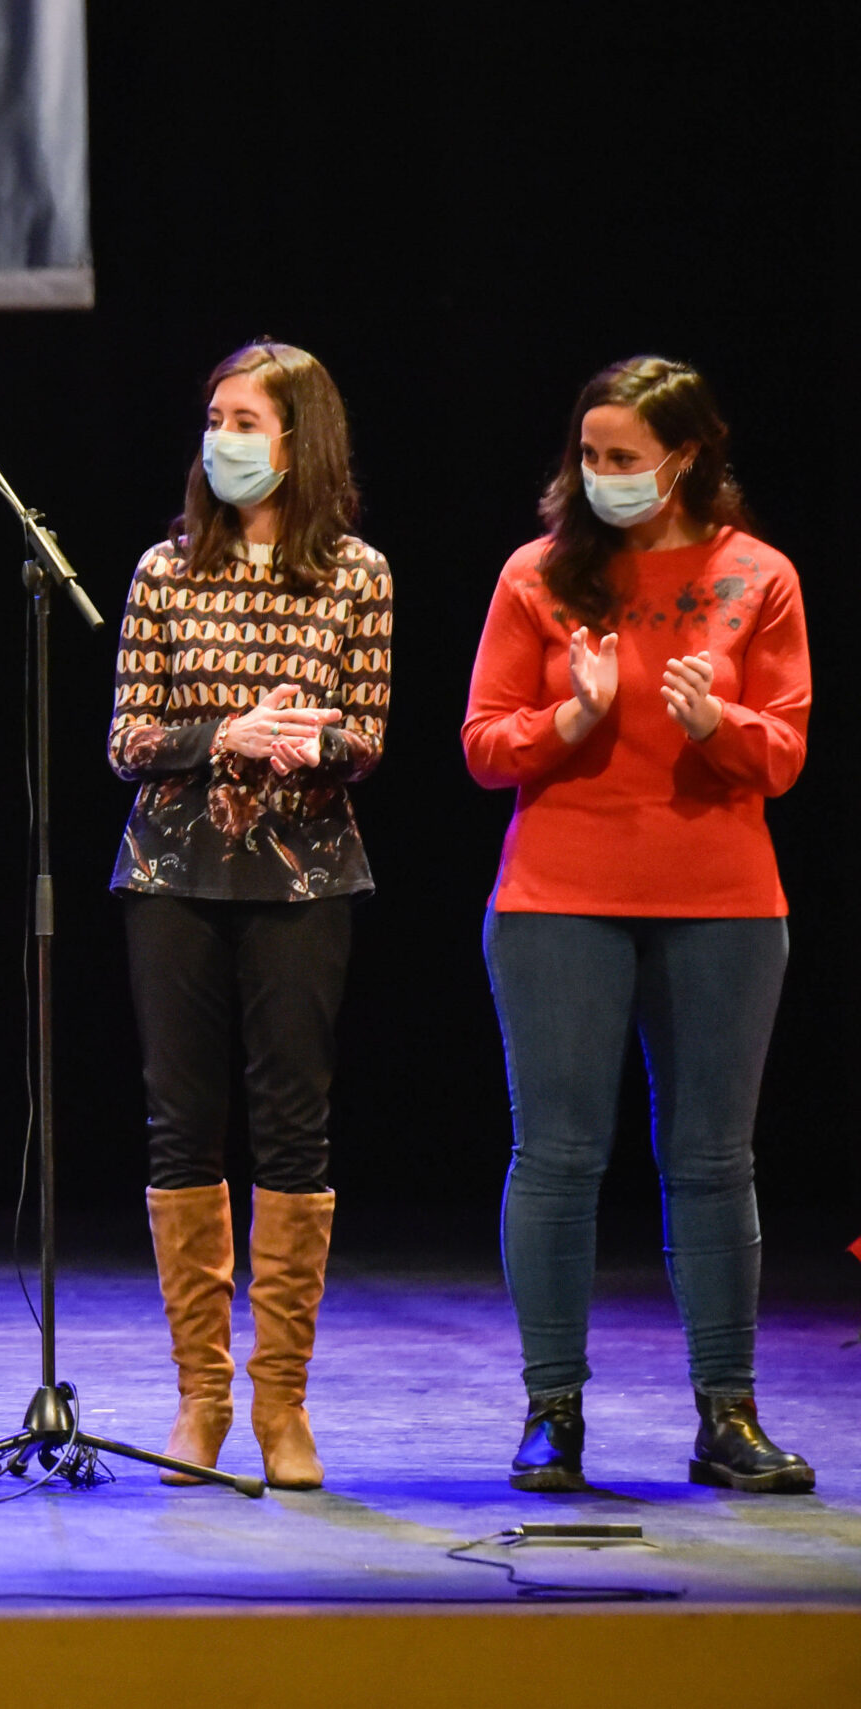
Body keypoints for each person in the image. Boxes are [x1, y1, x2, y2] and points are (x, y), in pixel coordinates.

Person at [463, 355, 812, 1495]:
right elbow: (483, 743)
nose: (601, 473)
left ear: (688, 457)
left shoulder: (758, 575)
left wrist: (718, 722)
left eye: (623, 457)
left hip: (720, 901)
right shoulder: (538, 575)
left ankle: (727, 1412)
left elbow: (784, 752)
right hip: (558, 896)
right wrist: (574, 713)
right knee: (558, 1156)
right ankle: (551, 1411)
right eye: (589, 454)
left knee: (711, 1160)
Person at [107, 339, 391, 1491]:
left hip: (304, 876)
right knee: (181, 1125)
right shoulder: (163, 571)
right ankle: (201, 1398)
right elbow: (126, 739)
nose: (222, 438)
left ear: (297, 440)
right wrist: (223, 732)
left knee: (293, 1126)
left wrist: (303, 736)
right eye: (214, 416)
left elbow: (367, 733)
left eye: (246, 420)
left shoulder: (358, 574)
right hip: (172, 874)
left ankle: (281, 1402)